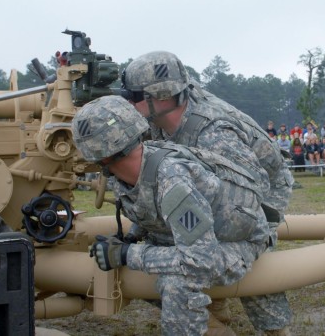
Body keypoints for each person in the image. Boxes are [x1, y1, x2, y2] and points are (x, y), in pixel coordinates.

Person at [123, 51, 293, 335]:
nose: (130, 103)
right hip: (218, 185)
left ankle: (275, 328)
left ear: (161, 97)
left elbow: (249, 198)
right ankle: (216, 312)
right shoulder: (160, 118)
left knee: (243, 248)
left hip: (261, 192)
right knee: (189, 237)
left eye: (135, 96)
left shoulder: (214, 133)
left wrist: (249, 242)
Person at [71, 96, 270, 336]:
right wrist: (131, 239)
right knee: (155, 270)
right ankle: (214, 325)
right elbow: (149, 207)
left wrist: (127, 254)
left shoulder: (172, 179)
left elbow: (199, 260)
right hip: (207, 240)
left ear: (99, 156)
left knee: (176, 284)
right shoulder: (130, 170)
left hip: (237, 242)